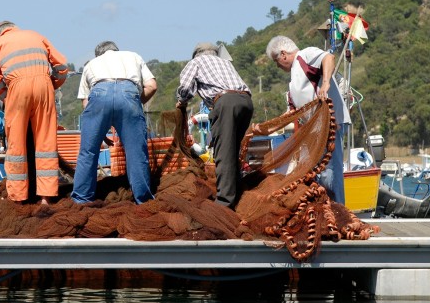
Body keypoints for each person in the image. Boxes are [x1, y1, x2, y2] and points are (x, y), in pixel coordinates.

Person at [0, 21, 69, 204]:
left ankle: (17, 197)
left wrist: (9, 97)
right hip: (44, 85)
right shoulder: (36, 35)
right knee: (46, 143)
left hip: (17, 88)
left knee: (16, 145)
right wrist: (51, 85)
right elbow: (62, 67)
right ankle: (46, 198)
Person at [265, 35, 350, 204]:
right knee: (312, 173)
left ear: (283, 54)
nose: (278, 66)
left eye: (276, 61)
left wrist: (325, 83)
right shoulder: (292, 82)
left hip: (329, 124)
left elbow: (328, 57)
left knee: (329, 172)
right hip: (313, 131)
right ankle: (324, 211)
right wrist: (269, 127)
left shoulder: (304, 55)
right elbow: (291, 112)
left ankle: (338, 213)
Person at [72, 41, 157, 204]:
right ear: (116, 50)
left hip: (98, 94)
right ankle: (143, 199)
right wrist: (136, 104)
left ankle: (81, 200)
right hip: (129, 93)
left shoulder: (91, 64)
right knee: (136, 152)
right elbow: (152, 86)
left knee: (88, 152)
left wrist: (99, 130)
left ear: (99, 54)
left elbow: (85, 103)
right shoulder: (133, 56)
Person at [175, 42, 254, 208]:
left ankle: (224, 203)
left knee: (224, 153)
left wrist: (181, 102)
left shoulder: (196, 62)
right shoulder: (225, 62)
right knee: (232, 151)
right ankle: (235, 192)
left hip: (226, 103)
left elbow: (185, 87)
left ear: (197, 54)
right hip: (246, 102)